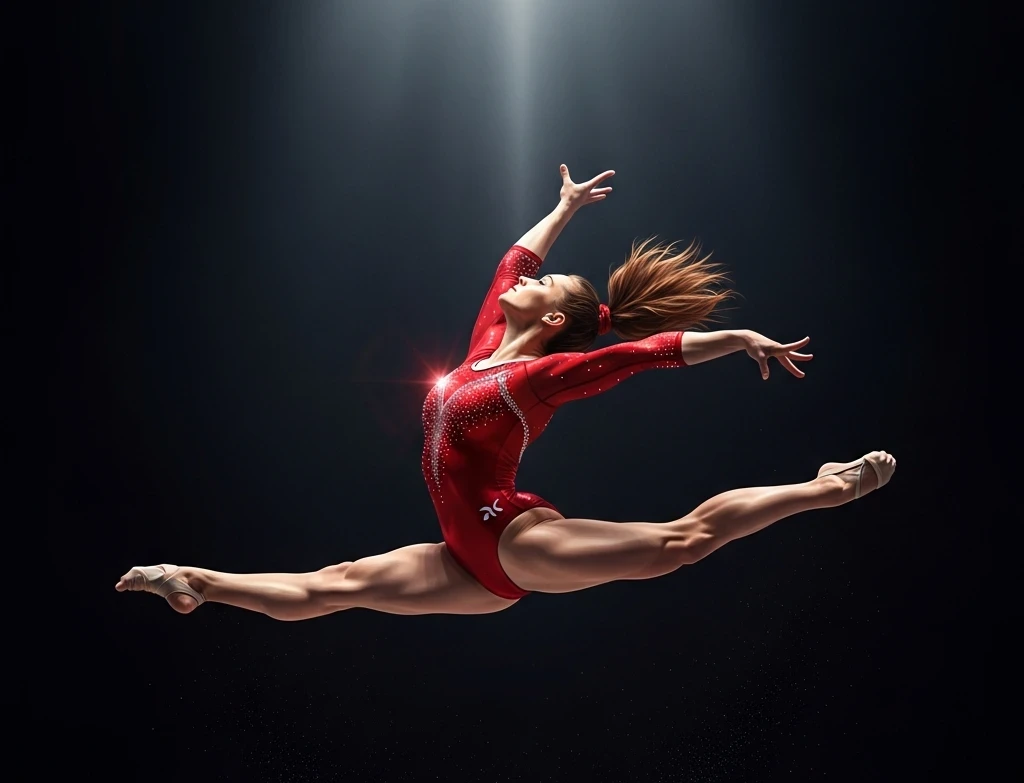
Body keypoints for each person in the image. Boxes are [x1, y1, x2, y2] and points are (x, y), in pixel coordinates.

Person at [118, 164, 894, 619]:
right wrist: (564, 209)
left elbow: (639, 354)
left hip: (513, 537)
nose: (528, 282)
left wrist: (738, 338)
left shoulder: (538, 378)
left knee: (678, 544)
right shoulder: (487, 346)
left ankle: (826, 488)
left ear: (553, 319)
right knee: (335, 586)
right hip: (466, 561)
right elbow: (511, 264)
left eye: (546, 286)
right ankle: (195, 584)